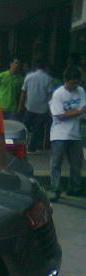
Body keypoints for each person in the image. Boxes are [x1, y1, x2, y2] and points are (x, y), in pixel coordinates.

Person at [48, 66, 86, 201]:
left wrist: (73, 113)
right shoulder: (58, 94)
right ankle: (54, 188)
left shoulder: (80, 91)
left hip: (75, 133)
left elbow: (83, 108)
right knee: (56, 163)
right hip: (59, 133)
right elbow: (59, 115)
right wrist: (77, 112)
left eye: (77, 83)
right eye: (72, 83)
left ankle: (74, 187)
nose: (75, 86)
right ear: (66, 81)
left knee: (77, 163)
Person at [19, 59, 55, 154]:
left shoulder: (29, 76)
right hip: (42, 109)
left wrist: (21, 106)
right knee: (37, 129)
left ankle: (21, 145)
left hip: (29, 106)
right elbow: (50, 95)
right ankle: (32, 148)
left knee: (24, 127)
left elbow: (23, 92)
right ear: (46, 68)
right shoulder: (49, 79)